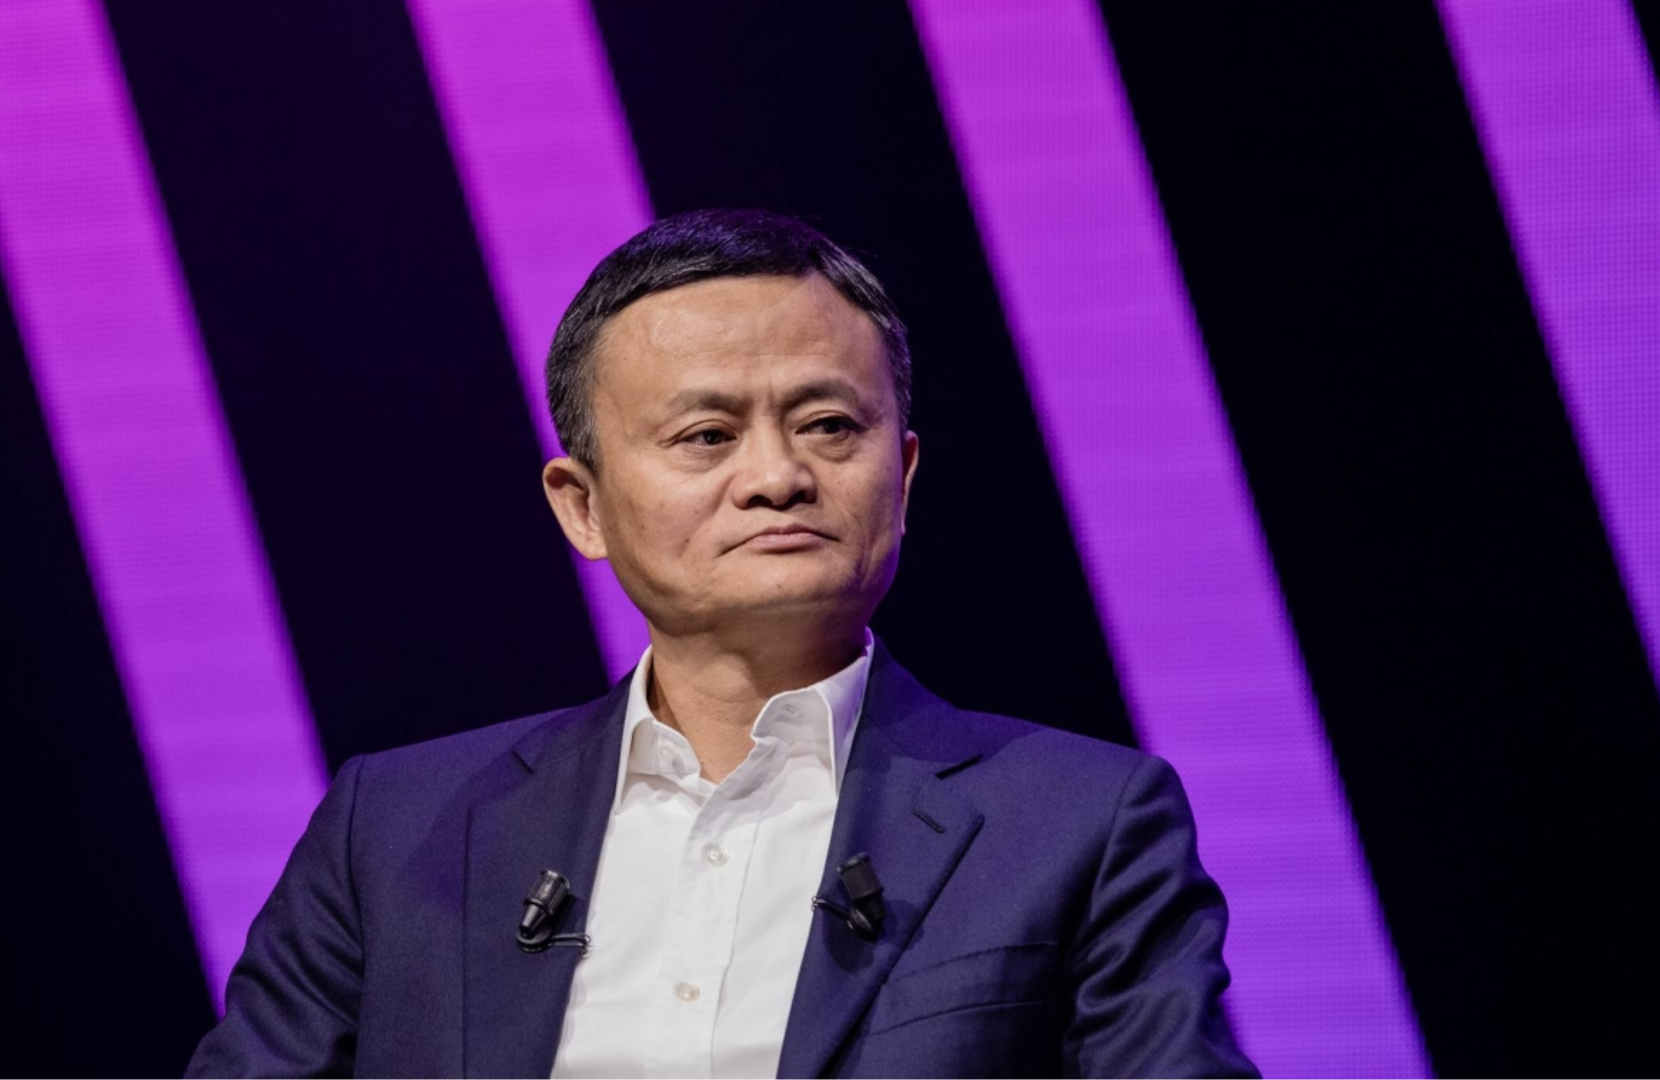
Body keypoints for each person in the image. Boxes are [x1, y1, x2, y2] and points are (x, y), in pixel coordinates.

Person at [187, 209, 1256, 1079]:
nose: (777, 476)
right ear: (582, 506)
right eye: (707, 436)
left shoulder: (1082, 823)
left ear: (903, 473)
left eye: (828, 426)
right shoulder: (395, 831)